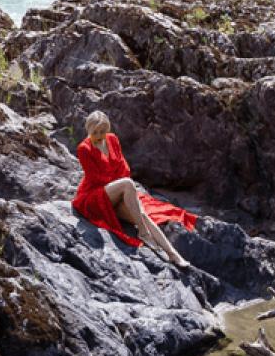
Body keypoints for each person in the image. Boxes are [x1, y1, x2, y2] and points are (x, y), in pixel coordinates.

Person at [71, 110, 195, 268]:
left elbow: (123, 167)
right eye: (95, 132)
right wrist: (119, 184)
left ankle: (173, 254)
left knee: (142, 214)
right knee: (128, 184)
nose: (99, 135)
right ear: (88, 130)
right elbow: (96, 178)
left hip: (116, 192)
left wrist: (121, 189)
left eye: (102, 131)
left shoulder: (112, 139)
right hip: (94, 197)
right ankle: (143, 232)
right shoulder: (84, 149)